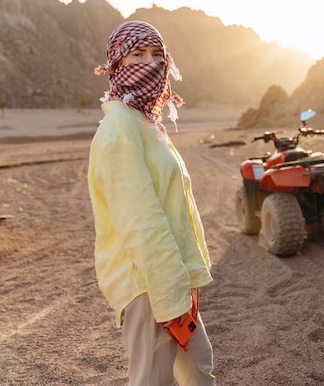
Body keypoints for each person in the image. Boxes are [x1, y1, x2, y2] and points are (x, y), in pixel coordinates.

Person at [87, 21, 216, 385]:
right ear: (116, 63)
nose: (151, 63)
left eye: (158, 55)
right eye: (138, 54)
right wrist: (170, 298)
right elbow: (140, 222)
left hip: (170, 274)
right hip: (146, 283)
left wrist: (184, 281)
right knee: (153, 380)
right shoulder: (119, 131)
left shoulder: (146, 125)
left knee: (198, 367)